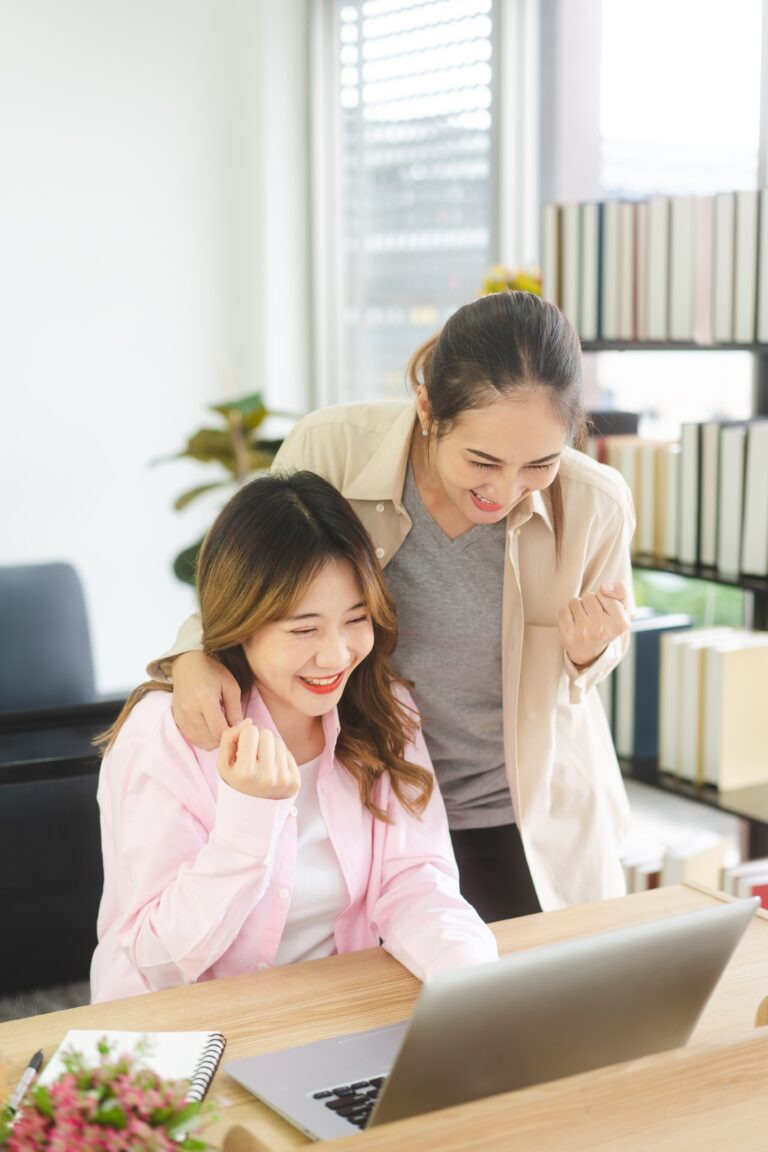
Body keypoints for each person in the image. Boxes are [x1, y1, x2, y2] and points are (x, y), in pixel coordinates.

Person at [152, 291, 635, 921]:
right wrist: (194, 651)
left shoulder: (595, 503)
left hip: (521, 815)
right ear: (428, 406)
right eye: (482, 460)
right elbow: (255, 570)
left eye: (539, 464)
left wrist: (591, 647)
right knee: (388, 1006)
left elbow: (593, 666)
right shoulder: (332, 450)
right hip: (373, 803)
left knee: (539, 1008)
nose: (505, 490)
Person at [90, 471, 497, 1002]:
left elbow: (415, 880)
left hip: (328, 1016)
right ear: (243, 621)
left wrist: (473, 982)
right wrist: (248, 819)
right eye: (303, 629)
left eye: (356, 618)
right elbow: (159, 960)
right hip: (180, 1036)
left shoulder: (382, 707)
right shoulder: (165, 732)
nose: (336, 655)